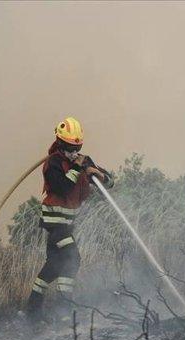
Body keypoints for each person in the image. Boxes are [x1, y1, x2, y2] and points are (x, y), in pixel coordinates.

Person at [26, 117, 114, 321]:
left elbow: (110, 183)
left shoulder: (84, 161)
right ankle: (64, 309)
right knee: (72, 258)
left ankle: (32, 310)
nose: (73, 152)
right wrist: (76, 168)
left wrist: (97, 173)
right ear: (59, 143)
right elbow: (63, 188)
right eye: (69, 147)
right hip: (55, 223)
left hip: (68, 223)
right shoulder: (53, 163)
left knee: (54, 265)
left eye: (77, 147)